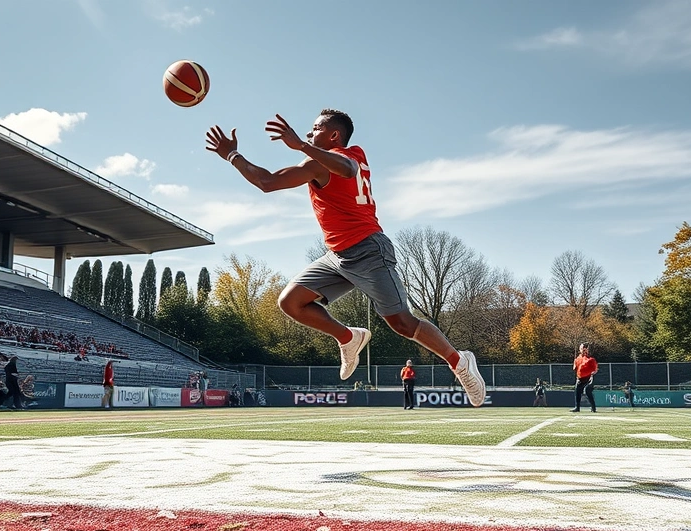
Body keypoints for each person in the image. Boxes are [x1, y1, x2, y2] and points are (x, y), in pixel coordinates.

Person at [205, 110, 486, 407]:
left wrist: (301, 145)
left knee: (402, 323)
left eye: (315, 129)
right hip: (337, 255)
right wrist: (232, 155)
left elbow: (347, 170)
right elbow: (267, 182)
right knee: (290, 302)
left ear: (334, 135)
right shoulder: (315, 164)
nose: (310, 133)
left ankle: (459, 361)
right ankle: (348, 337)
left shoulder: (348, 156)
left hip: (367, 250)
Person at [570, 342, 598, 413]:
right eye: (582, 349)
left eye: (584, 349)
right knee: (577, 391)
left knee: (587, 391)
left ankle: (593, 407)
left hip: (588, 378)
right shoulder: (578, 358)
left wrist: (592, 374)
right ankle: (577, 407)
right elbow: (575, 368)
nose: (583, 350)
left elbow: (595, 369)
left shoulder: (591, 359)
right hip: (580, 378)